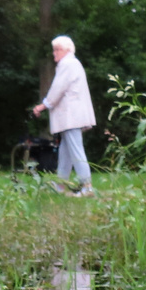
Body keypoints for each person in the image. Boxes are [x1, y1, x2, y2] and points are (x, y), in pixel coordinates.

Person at [33, 36, 96, 197]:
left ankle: (87, 187)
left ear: (67, 50)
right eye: (54, 50)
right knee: (65, 151)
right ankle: (61, 186)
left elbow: (58, 89)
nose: (54, 53)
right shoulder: (72, 63)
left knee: (76, 150)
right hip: (70, 116)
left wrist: (43, 105)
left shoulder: (67, 64)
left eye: (57, 50)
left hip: (71, 116)